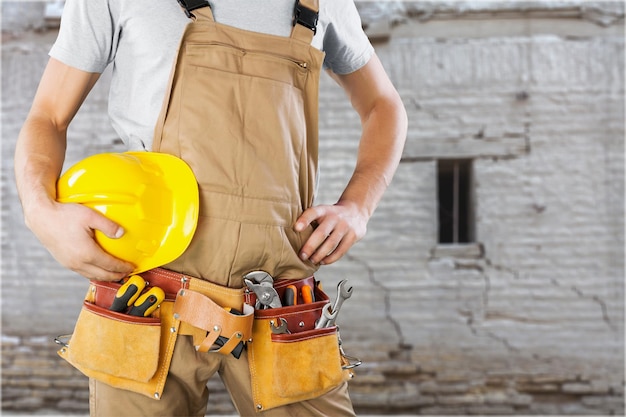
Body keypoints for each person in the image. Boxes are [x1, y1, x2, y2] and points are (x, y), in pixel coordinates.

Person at [14, 0, 407, 415]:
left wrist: (358, 206)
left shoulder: (319, 3)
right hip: (149, 299)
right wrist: (40, 212)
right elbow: (48, 117)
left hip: (279, 305)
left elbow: (383, 106)